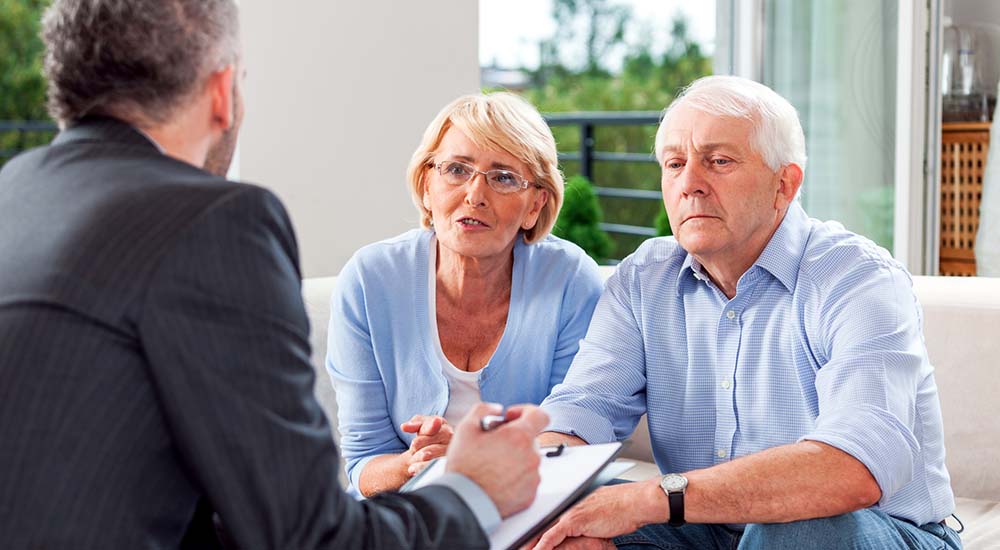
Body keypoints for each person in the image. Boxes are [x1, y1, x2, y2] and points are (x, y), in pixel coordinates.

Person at [0, 1, 550, 548]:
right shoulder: (215, 224)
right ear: (222, 92)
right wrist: (473, 489)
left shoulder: (14, 194)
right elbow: (309, 538)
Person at [531, 76, 960, 550]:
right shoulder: (643, 278)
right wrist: (519, 478)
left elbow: (852, 468)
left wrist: (657, 496)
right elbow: (582, 411)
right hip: (704, 528)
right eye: (675, 164)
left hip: (868, 531)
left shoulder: (857, 278)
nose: (690, 184)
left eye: (718, 161)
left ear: (785, 184)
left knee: (797, 529)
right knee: (567, 526)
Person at [327, 92, 604, 496]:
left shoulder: (571, 281)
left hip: (530, 506)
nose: (475, 194)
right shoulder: (369, 280)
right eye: (456, 170)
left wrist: (472, 459)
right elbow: (363, 463)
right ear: (426, 186)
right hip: (404, 511)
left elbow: (571, 438)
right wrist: (417, 465)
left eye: (504, 177)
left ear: (535, 205)